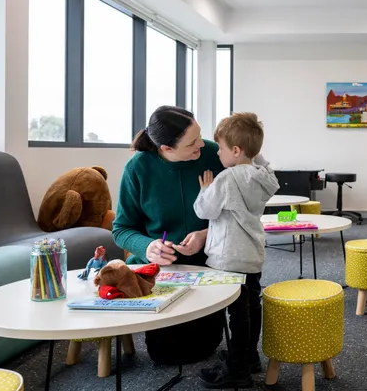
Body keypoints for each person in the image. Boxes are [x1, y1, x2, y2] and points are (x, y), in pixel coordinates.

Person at [111, 105, 226, 366]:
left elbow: (240, 212)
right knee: (165, 354)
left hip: (210, 261)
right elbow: (121, 229)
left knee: (206, 346)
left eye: (199, 136)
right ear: (166, 148)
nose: (201, 145)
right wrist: (147, 246)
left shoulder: (214, 155)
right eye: (192, 143)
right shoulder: (138, 168)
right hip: (163, 270)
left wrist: (206, 234)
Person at [193, 112, 279, 388]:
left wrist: (205, 189)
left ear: (236, 151)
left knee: (237, 314)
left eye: (220, 148)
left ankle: (237, 369)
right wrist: (256, 156)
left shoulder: (226, 179)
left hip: (228, 256)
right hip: (252, 254)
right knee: (252, 307)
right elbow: (270, 172)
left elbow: (204, 210)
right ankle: (249, 356)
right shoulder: (262, 177)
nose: (217, 153)